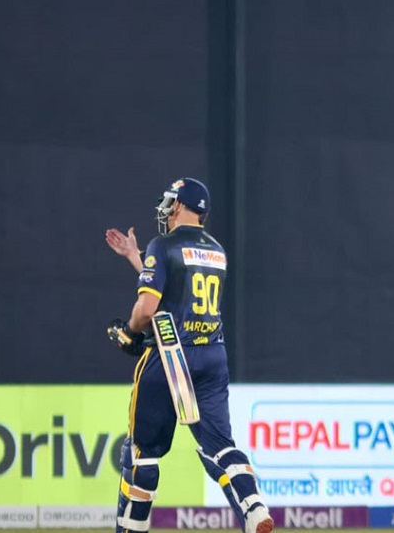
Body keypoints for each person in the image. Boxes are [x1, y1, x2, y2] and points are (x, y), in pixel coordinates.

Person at [105, 178, 273, 533]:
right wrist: (136, 258)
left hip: (170, 354)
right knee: (221, 447)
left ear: (180, 205)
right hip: (212, 355)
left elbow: (148, 306)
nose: (166, 208)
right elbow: (178, 291)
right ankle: (254, 507)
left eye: (170, 201)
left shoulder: (163, 244)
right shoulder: (217, 251)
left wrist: (131, 331)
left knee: (141, 455)